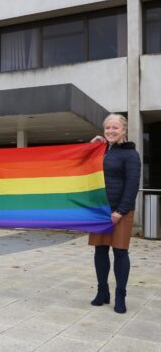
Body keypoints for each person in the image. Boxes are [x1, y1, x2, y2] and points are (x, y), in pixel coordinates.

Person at [89, 114, 141, 313]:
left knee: (120, 252)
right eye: (107, 128)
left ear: (124, 130)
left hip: (121, 211)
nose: (110, 131)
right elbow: (85, 167)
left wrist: (120, 210)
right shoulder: (101, 151)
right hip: (100, 210)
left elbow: (132, 185)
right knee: (100, 250)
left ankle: (121, 295)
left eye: (115, 128)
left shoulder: (130, 154)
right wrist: (91, 145)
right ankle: (103, 292)